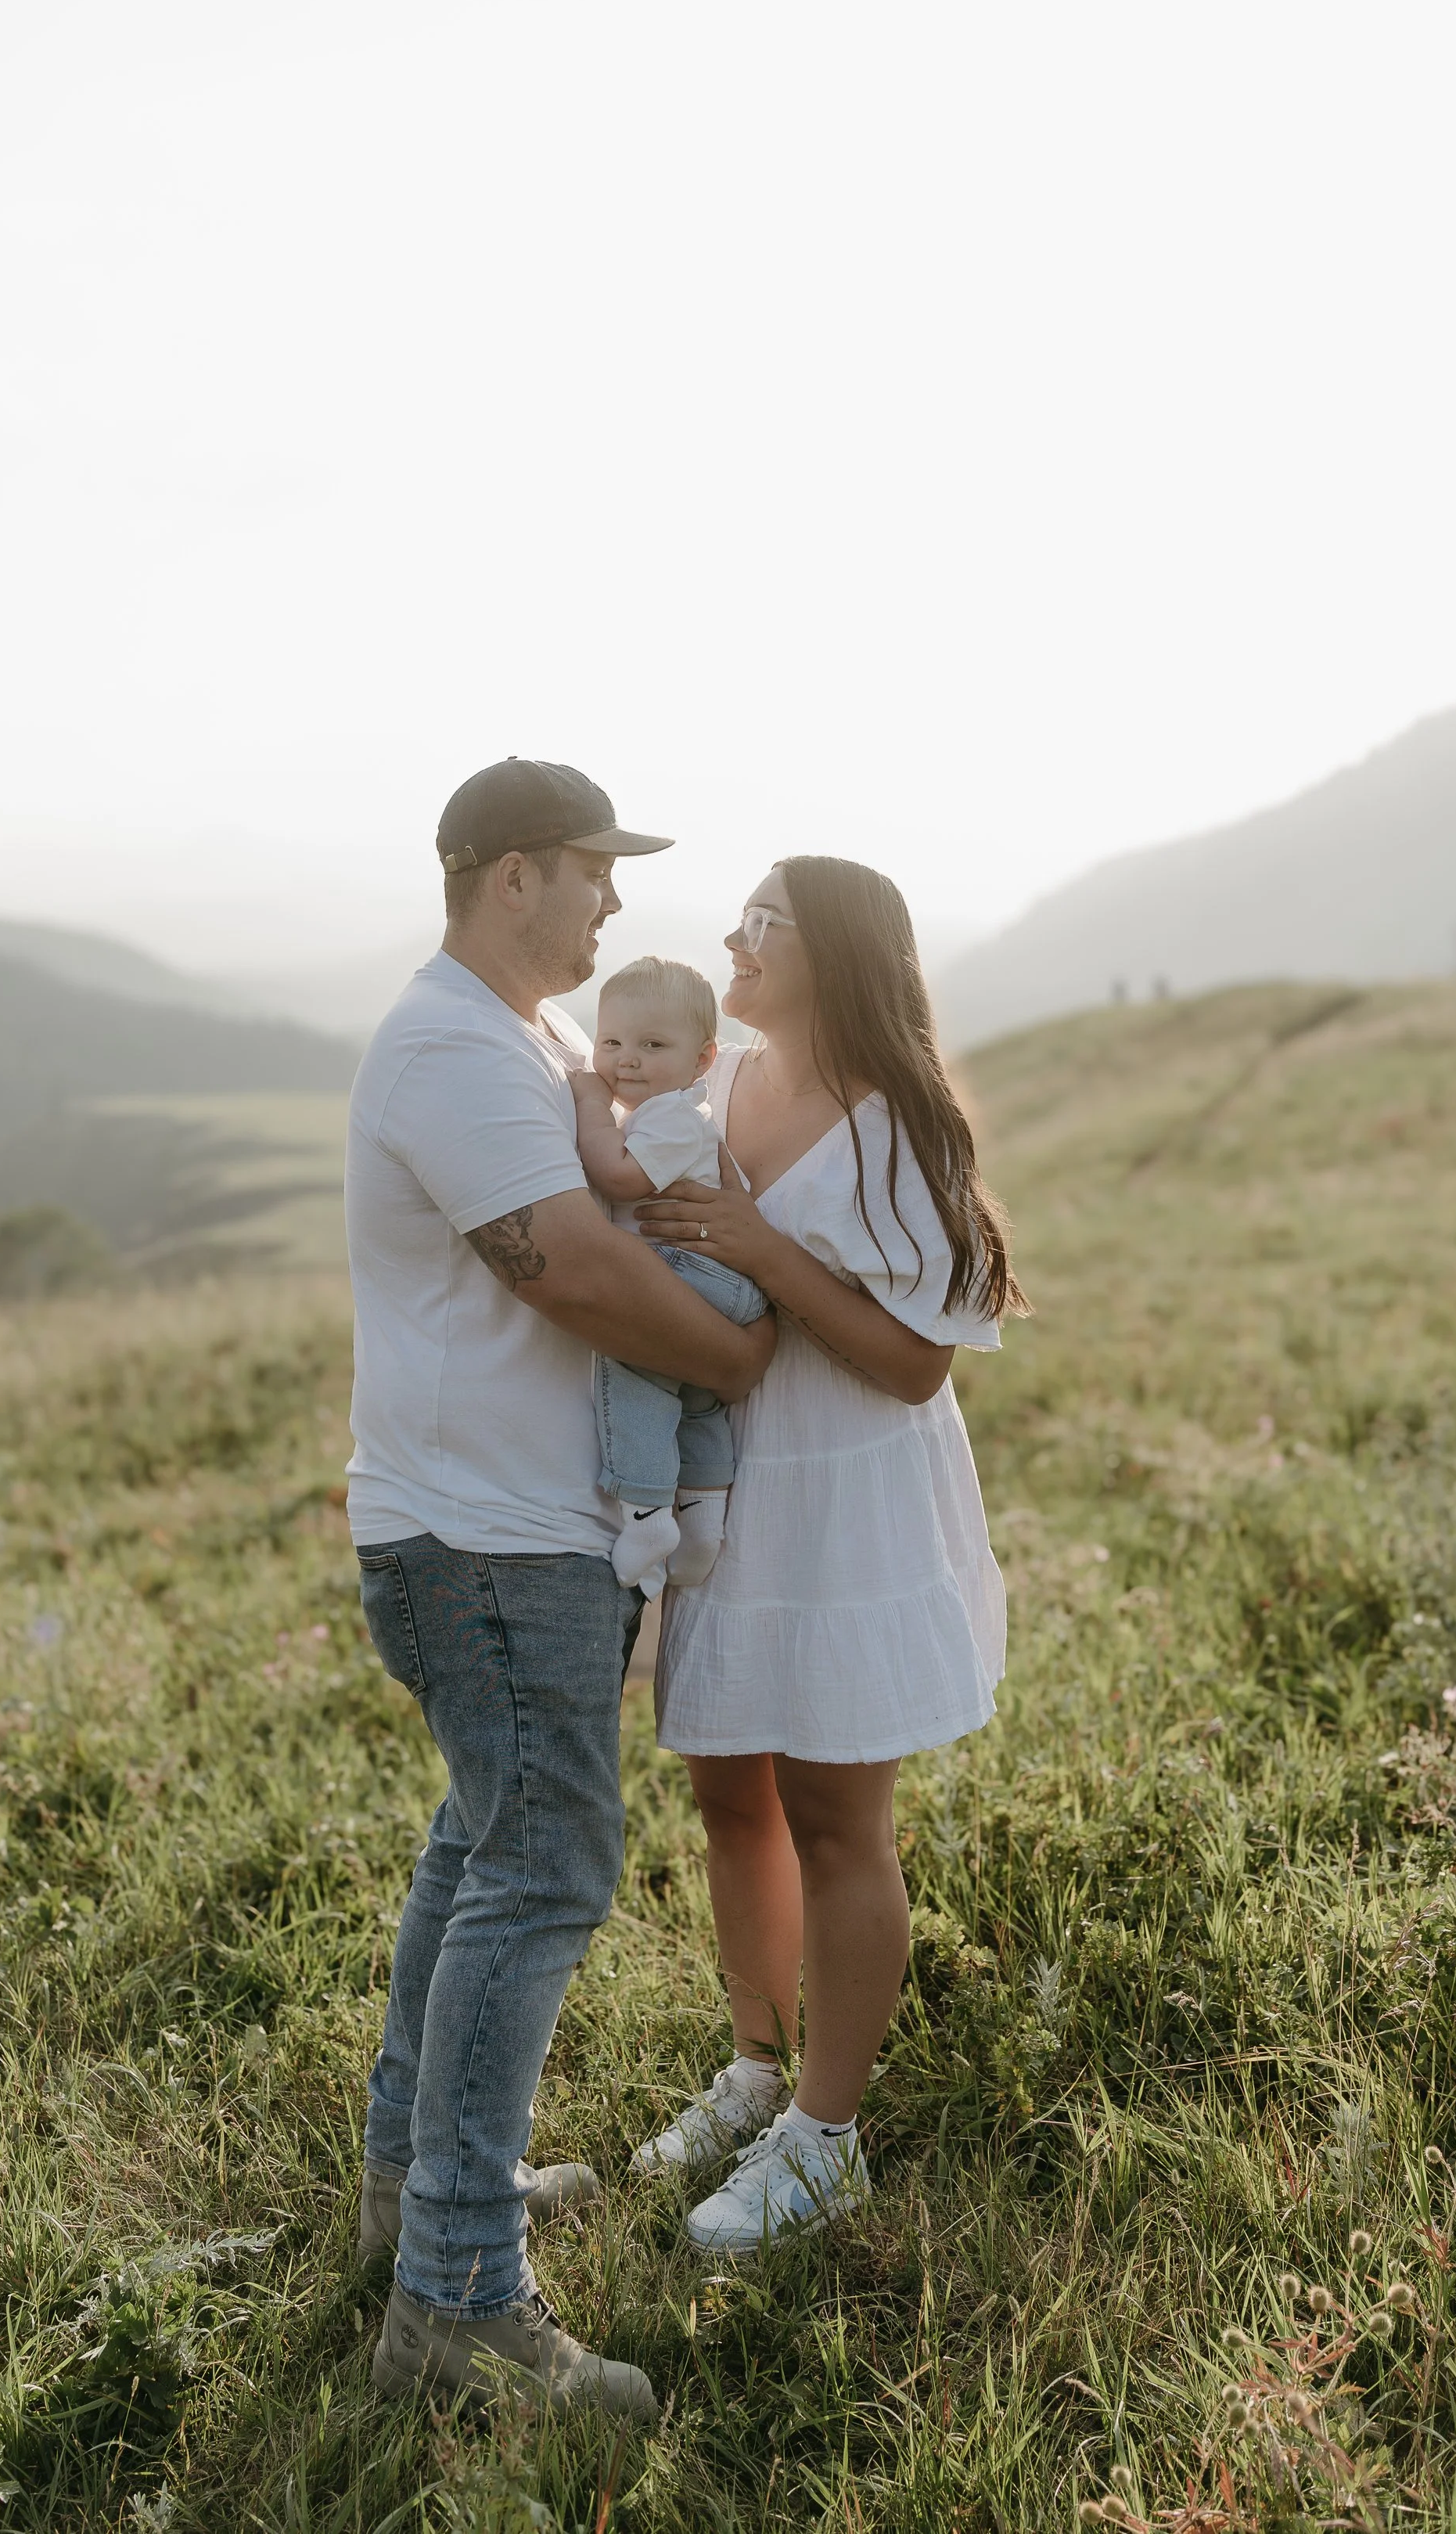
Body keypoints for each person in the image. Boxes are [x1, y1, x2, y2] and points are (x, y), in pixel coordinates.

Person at [345, 759, 778, 2415]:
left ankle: (415, 2195)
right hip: (486, 1544)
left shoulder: (516, 1041)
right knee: (539, 1866)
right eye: (593, 872)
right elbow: (584, 1270)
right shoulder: (454, 1047)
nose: (612, 906)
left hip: (501, 1533)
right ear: (513, 872)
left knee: (481, 1842)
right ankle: (455, 2293)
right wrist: (742, 1347)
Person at [627, 855, 1025, 2253]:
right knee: (730, 1793)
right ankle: (753, 2065)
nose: (732, 939)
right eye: (737, 917)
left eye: (765, 924)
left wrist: (762, 1246)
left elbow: (916, 1366)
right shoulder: (714, 1081)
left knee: (838, 1817)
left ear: (838, 952)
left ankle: (827, 2133)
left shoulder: (900, 1127)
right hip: (728, 1486)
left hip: (846, 1489)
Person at [570, 956, 771, 1598]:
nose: (627, 1060)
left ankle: (647, 1509)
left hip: (696, 1271)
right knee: (694, 1394)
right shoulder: (668, 1110)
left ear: (703, 1059)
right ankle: (704, 1513)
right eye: (612, 1042)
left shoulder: (671, 1116)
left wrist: (589, 1105)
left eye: (653, 1045)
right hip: (717, 1281)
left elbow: (620, 1177)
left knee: (633, 1358)